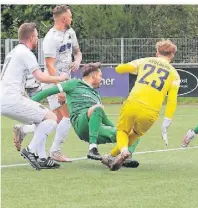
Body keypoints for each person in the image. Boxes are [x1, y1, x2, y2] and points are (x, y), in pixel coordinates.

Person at [31, 62, 140, 168]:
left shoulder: (96, 94)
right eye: (101, 76)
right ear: (94, 75)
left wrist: (120, 131)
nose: (102, 79)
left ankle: (125, 157)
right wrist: (29, 103)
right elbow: (48, 92)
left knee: (133, 132)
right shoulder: (74, 83)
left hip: (96, 130)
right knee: (97, 108)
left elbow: (102, 118)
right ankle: (92, 148)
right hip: (80, 123)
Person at [13, 5, 82, 162]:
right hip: (54, 83)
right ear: (63, 19)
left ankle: (24, 129)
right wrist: (59, 88)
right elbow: (50, 66)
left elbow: (78, 52)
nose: (72, 19)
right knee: (67, 117)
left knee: (55, 120)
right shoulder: (51, 38)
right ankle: (55, 151)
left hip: (66, 81)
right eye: (70, 16)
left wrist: (77, 60)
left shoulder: (71, 33)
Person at [102, 39, 180, 171]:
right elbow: (172, 101)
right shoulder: (175, 75)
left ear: (157, 52)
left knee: (122, 130)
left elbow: (119, 69)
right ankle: (111, 155)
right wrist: (167, 121)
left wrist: (134, 68)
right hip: (152, 110)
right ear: (172, 55)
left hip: (134, 102)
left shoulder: (145, 61)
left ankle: (124, 150)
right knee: (135, 133)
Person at [1, 22, 69, 170]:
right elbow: (41, 77)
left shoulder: (14, 52)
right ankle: (30, 150)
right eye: (37, 36)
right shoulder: (26, 53)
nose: (38, 39)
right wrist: (61, 78)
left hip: (6, 99)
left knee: (42, 118)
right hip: (11, 100)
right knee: (51, 118)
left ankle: (42, 157)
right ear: (31, 37)